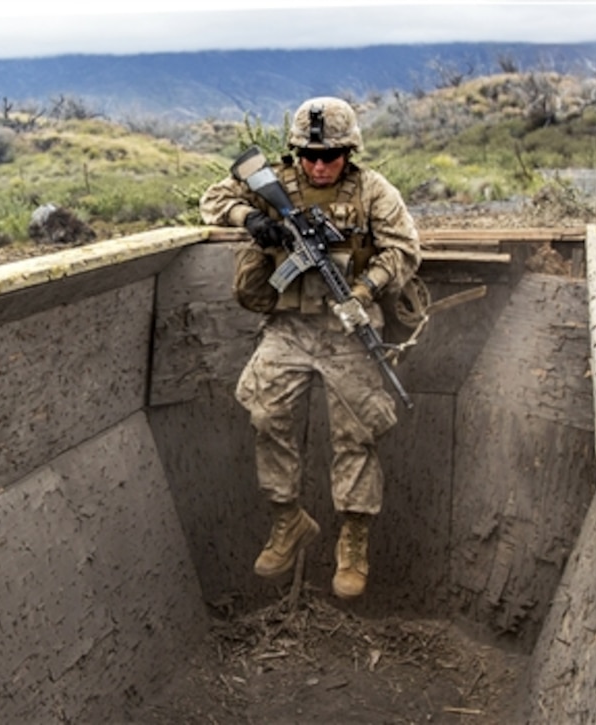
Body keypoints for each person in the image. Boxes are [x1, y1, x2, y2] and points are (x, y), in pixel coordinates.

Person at [199, 97, 421, 600]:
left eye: (331, 155)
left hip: (346, 331)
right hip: (288, 327)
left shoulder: (373, 191)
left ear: (350, 152)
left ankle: (354, 540)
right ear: (295, 152)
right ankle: (287, 520)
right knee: (264, 414)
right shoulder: (277, 181)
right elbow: (213, 200)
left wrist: (363, 294)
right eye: (308, 155)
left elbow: (404, 248)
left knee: (356, 434)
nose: (319, 165)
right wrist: (252, 220)